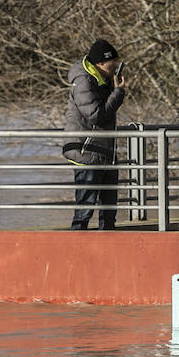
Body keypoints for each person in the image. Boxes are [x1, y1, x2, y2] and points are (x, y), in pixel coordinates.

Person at [63, 38, 128, 230]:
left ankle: (107, 247)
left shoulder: (103, 79)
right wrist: (118, 93)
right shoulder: (83, 81)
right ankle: (77, 248)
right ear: (100, 63)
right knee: (84, 210)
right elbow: (96, 116)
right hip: (87, 152)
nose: (116, 66)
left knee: (109, 209)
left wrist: (115, 90)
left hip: (105, 151)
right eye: (112, 62)